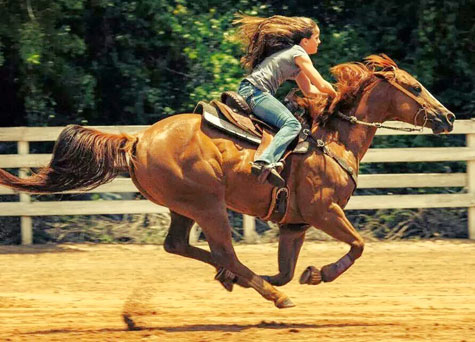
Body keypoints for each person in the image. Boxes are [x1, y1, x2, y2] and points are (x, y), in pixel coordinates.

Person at [234, 14, 337, 187]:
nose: (319, 42)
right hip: (255, 92)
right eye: (316, 38)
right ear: (305, 41)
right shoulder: (299, 53)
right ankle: (265, 161)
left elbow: (309, 90)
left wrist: (326, 96)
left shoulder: (294, 58)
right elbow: (320, 83)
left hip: (251, 89)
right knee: (292, 125)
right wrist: (337, 96)